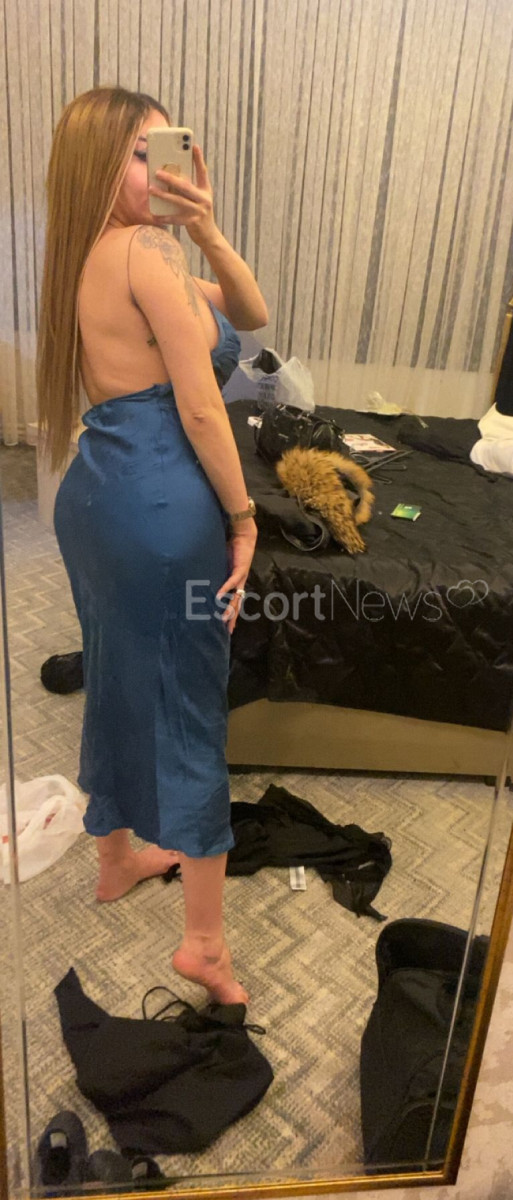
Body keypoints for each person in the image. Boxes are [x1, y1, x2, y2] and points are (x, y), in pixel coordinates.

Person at [37, 86, 269, 1005]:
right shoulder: (141, 252)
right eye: (139, 152)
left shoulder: (101, 254)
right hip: (162, 508)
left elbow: (248, 311)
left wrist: (205, 227)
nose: (158, 166)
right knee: (188, 706)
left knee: (116, 671)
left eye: (162, 147)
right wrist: (243, 518)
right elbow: (202, 406)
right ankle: (204, 945)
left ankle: (116, 858)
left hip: (98, 497)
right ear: (100, 164)